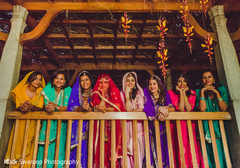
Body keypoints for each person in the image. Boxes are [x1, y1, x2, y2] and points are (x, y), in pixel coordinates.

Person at [5, 71, 45, 168]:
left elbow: (40, 107)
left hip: (34, 124)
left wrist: (31, 107)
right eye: (35, 78)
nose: (38, 81)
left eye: (40, 79)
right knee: (17, 143)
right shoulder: (21, 89)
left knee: (30, 146)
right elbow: (17, 105)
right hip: (20, 123)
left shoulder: (41, 91)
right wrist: (22, 108)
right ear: (30, 79)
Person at [37, 69, 71, 168]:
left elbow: (69, 108)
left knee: (60, 150)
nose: (59, 81)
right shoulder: (47, 90)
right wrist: (47, 107)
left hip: (62, 126)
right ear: (53, 80)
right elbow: (42, 105)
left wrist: (56, 107)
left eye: (61, 79)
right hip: (48, 124)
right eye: (56, 78)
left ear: (64, 82)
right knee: (45, 151)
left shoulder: (68, 90)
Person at [168, 74, 204, 168]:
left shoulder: (192, 93)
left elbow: (188, 108)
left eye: (184, 81)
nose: (182, 83)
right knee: (179, 146)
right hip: (177, 125)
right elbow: (180, 108)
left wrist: (184, 94)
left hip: (189, 125)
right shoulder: (171, 93)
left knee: (190, 147)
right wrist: (181, 92)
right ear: (176, 83)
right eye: (179, 81)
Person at [196, 70, 228, 168]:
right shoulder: (198, 91)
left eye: (209, 77)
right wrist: (202, 93)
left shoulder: (221, 89)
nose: (207, 80)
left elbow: (224, 108)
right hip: (205, 127)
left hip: (218, 127)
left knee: (220, 152)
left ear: (214, 79)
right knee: (207, 154)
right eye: (204, 77)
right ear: (202, 80)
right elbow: (202, 109)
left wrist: (217, 94)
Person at [91, 73, 125, 168]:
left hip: (113, 128)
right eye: (100, 82)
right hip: (99, 129)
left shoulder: (114, 94)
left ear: (109, 84)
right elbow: (99, 106)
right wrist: (102, 94)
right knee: (100, 151)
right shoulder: (95, 94)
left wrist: (105, 108)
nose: (102, 85)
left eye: (105, 82)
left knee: (112, 151)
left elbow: (118, 108)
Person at [143, 75, 175, 168]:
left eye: (154, 84)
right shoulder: (146, 93)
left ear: (158, 85)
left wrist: (165, 110)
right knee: (152, 151)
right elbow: (147, 108)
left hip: (164, 128)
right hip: (151, 129)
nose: (152, 86)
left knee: (165, 150)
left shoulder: (164, 93)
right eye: (150, 84)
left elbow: (172, 107)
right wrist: (159, 108)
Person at [67, 71, 93, 168]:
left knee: (89, 152)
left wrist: (90, 108)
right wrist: (81, 107)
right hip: (77, 128)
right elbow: (71, 108)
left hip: (91, 128)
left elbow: (97, 108)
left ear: (90, 81)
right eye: (82, 80)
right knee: (76, 153)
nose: (85, 82)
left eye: (87, 79)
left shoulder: (95, 93)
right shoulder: (75, 94)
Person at [120, 72, 145, 167]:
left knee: (138, 151)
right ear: (124, 82)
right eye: (128, 80)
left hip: (137, 127)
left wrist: (130, 112)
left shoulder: (139, 93)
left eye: (132, 80)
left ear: (135, 82)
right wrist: (126, 95)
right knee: (125, 151)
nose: (130, 82)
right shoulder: (121, 94)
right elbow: (127, 109)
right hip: (125, 127)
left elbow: (141, 108)